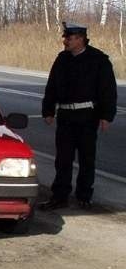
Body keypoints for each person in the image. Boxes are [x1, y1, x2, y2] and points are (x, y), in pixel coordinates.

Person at [40, 21, 117, 210]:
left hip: (87, 117)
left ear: (80, 39)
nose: (65, 41)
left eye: (69, 38)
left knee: (86, 158)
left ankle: (84, 195)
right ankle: (59, 196)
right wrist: (48, 110)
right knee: (63, 159)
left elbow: (108, 90)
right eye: (65, 37)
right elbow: (51, 86)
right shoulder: (62, 59)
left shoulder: (98, 60)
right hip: (66, 116)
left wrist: (107, 116)